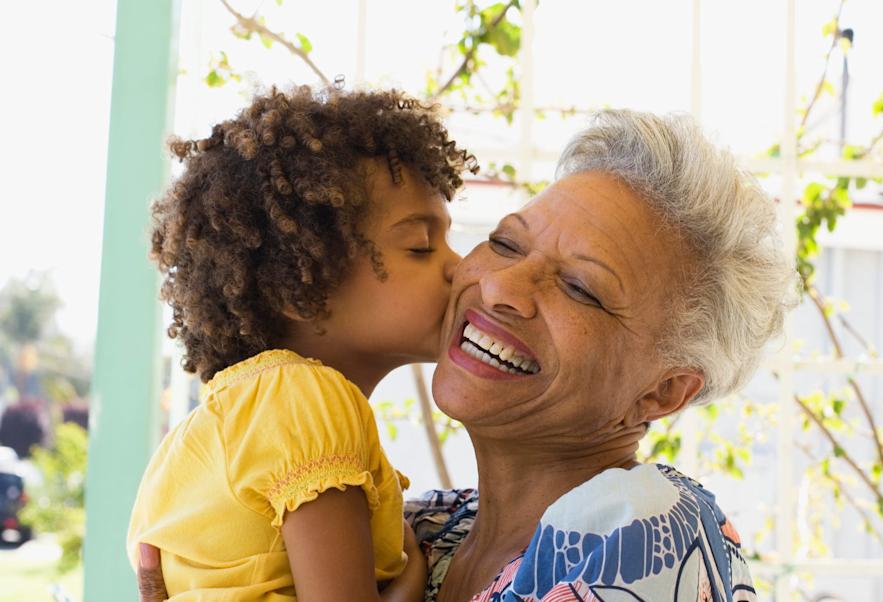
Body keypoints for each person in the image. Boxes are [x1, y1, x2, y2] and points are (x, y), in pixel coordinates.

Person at [139, 109, 793, 601]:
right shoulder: (420, 527)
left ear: (663, 391)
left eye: (579, 288)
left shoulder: (645, 530)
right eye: (507, 244)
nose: (497, 285)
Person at [126, 85, 476, 601]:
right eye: (420, 247)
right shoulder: (309, 401)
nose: (460, 267)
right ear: (301, 283)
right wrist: (411, 582)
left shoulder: (227, 421)